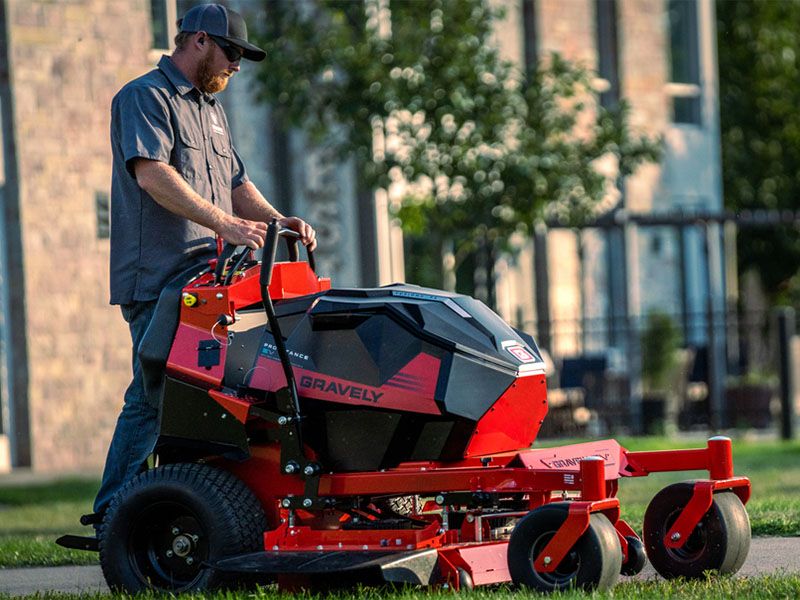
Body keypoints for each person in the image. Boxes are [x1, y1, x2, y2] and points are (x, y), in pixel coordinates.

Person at [91, 3, 315, 526]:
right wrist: (224, 225)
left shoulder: (211, 109)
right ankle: (114, 517)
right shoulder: (143, 97)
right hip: (160, 279)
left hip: (211, 281)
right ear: (197, 41)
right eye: (232, 52)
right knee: (157, 396)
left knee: (216, 393)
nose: (237, 65)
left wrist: (279, 221)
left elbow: (237, 186)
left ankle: (193, 505)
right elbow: (152, 174)